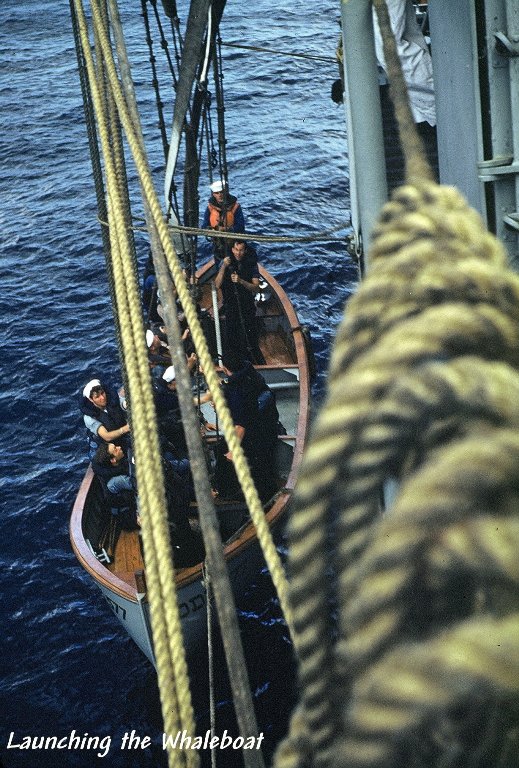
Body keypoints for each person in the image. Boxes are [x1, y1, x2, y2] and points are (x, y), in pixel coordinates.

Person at [211, 350, 279, 503]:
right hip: (266, 421)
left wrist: (232, 451)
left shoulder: (237, 393)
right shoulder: (248, 370)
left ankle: (225, 494)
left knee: (224, 455)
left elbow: (241, 425)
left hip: (253, 431)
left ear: (225, 369)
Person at [214, 239, 265, 364]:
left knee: (250, 336)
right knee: (232, 336)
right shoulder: (227, 263)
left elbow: (256, 287)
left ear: (245, 251)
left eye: (241, 250)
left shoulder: (251, 264)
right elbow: (216, 285)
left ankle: (253, 361)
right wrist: (224, 266)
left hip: (246, 305)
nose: (238, 253)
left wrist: (241, 281)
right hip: (231, 305)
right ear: (232, 250)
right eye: (236, 250)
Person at [80, 378, 130, 452]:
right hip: (107, 445)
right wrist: (126, 429)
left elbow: (122, 403)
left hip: (124, 437)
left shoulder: (112, 399)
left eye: (102, 393)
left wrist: (126, 404)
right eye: (97, 397)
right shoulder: (89, 417)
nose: (102, 398)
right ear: (91, 399)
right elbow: (106, 436)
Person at [202, 180, 245, 262]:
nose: (220, 195)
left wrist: (226, 230)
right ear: (213, 194)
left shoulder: (235, 207)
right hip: (218, 245)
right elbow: (204, 226)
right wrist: (212, 230)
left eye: (221, 192)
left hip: (234, 245)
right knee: (220, 264)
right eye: (217, 193)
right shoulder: (210, 208)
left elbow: (240, 226)